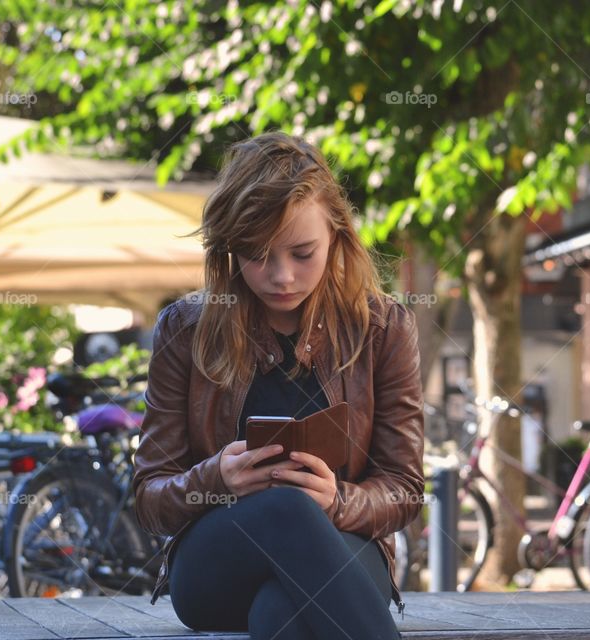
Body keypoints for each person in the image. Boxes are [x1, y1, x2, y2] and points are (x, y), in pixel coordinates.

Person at [131, 131, 424, 639]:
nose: (282, 276)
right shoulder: (185, 328)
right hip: (216, 564)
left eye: (302, 253)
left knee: (279, 615)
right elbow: (149, 497)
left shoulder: (383, 328)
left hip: (344, 547)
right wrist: (216, 480)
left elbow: (404, 488)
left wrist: (336, 502)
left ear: (336, 234)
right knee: (286, 508)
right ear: (230, 249)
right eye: (258, 255)